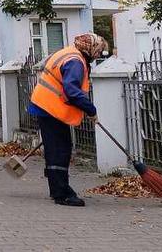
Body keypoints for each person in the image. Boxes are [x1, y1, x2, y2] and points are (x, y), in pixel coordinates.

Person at [27, 33, 108, 207]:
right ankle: (62, 194)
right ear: (90, 48)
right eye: (98, 51)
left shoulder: (69, 53)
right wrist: (91, 110)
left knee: (55, 149)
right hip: (51, 108)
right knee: (60, 151)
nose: (98, 55)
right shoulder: (75, 62)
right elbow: (72, 90)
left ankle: (57, 190)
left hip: (46, 106)